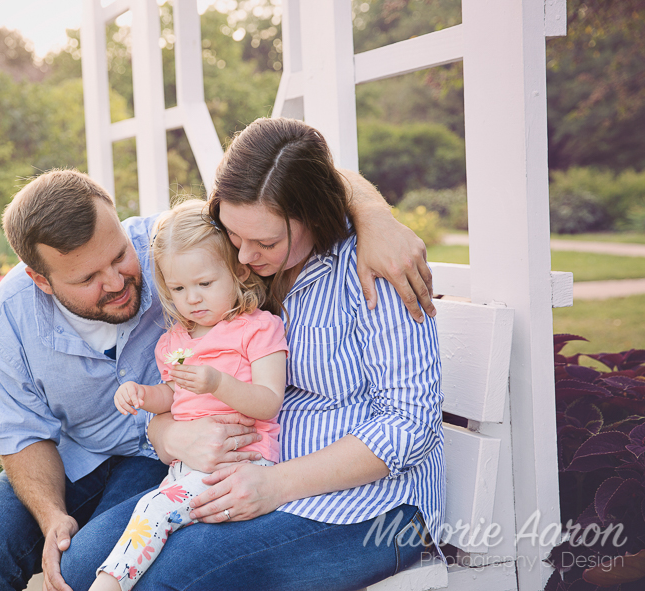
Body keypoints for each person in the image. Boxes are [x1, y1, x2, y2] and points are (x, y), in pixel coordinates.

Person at [0, 164, 436, 591]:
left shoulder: (177, 248)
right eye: (87, 279)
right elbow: (21, 435)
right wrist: (55, 514)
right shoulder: (6, 319)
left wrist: (375, 217)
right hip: (90, 452)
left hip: (202, 465)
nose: (118, 281)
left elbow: (288, 167)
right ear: (41, 279)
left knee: (90, 566)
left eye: (118, 255)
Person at [60, 117, 444, 591]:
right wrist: (166, 429)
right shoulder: (247, 265)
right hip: (245, 472)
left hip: (372, 510)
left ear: (317, 215)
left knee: (171, 578)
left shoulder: (371, 271)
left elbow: (411, 425)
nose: (243, 258)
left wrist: (276, 484)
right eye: (234, 237)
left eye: (264, 242)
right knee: (83, 565)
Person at [92, 199, 286, 591]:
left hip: (243, 464)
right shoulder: (175, 341)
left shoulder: (258, 328)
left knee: (153, 509)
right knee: (152, 521)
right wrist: (142, 394)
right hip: (186, 468)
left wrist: (218, 384)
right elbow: (173, 396)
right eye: (179, 288)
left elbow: (269, 400)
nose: (192, 298)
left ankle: (108, 585)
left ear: (237, 272)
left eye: (204, 284)